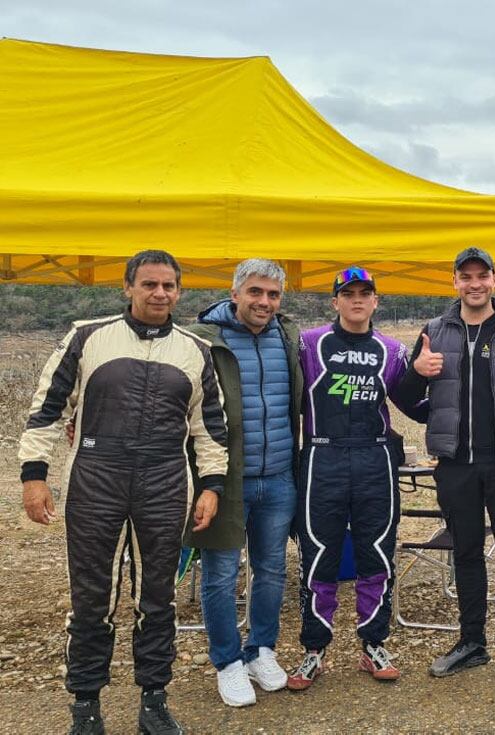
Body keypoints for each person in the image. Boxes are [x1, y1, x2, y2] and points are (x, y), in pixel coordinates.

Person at [19, 250, 228, 735]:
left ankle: (154, 700)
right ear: (128, 288)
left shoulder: (194, 349)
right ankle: (85, 705)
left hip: (164, 478)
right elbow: (48, 407)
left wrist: (212, 486)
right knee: (92, 595)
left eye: (169, 286)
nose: (160, 294)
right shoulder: (87, 336)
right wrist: (34, 475)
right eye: (149, 284)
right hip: (98, 474)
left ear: (179, 291)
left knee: (158, 596)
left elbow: (210, 427)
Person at [396, 246, 495, 682]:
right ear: (455, 281)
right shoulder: (434, 331)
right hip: (456, 466)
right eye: (467, 276)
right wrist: (418, 376)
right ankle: (472, 641)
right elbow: (405, 398)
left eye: (483, 276)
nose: (475, 284)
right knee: (466, 551)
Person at [287, 266, 423, 690]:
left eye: (366, 293)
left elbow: (414, 404)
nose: (357, 299)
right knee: (319, 552)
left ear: (376, 301)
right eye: (348, 293)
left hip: (374, 456)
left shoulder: (392, 349)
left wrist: (427, 373)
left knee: (376, 550)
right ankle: (314, 649)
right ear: (336, 302)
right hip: (322, 454)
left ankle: (373, 642)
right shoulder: (308, 344)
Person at [183, 259, 303, 707]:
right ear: (234, 294)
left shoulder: (287, 337)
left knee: (272, 570)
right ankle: (228, 663)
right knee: (221, 575)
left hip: (278, 478)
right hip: (224, 482)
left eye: (273, 295)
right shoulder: (203, 339)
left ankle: (261, 651)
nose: (264, 302)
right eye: (256, 292)